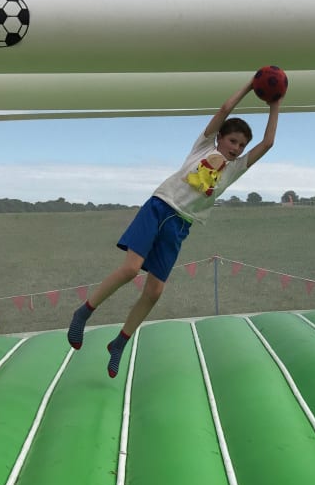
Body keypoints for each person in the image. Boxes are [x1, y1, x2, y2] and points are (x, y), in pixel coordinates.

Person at [66, 74, 282, 378]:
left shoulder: (234, 170)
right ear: (220, 137)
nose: (236, 148)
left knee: (154, 292)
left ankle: (120, 343)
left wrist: (275, 104)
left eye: (241, 145)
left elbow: (268, 143)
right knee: (131, 269)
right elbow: (224, 109)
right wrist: (250, 85)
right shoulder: (203, 147)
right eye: (233, 141)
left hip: (180, 226)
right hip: (159, 207)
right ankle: (83, 312)